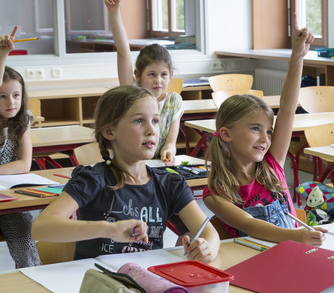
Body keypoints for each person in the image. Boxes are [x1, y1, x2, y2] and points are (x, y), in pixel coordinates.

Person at [32, 85, 220, 262]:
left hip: (147, 277)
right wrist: (109, 229)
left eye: (155, 121)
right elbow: (41, 227)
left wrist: (207, 248)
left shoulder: (170, 183)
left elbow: (209, 233)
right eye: (139, 121)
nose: (151, 130)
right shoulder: (93, 179)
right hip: (100, 279)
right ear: (109, 131)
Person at [202, 14, 327, 246]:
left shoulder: (272, 165)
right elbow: (250, 225)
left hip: (295, 252)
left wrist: (297, 57)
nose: (265, 138)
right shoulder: (215, 194)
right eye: (255, 129)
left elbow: (288, 109)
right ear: (227, 134)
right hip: (254, 261)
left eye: (269, 131)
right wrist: (296, 236)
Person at [104, 0, 182, 166]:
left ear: (170, 76)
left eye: (164, 75)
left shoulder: (173, 102)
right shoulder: (131, 94)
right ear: (137, 75)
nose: (158, 81)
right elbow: (123, 52)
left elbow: (171, 142)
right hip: (130, 165)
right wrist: (115, 14)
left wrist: (169, 151)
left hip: (156, 166)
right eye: (151, 74)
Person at [0, 26, 41, 267]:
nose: (11, 102)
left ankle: (33, 278)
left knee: (24, 232)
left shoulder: (23, 118)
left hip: (9, 198)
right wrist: (3, 54)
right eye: (2, 96)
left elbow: (24, 164)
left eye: (16, 95)